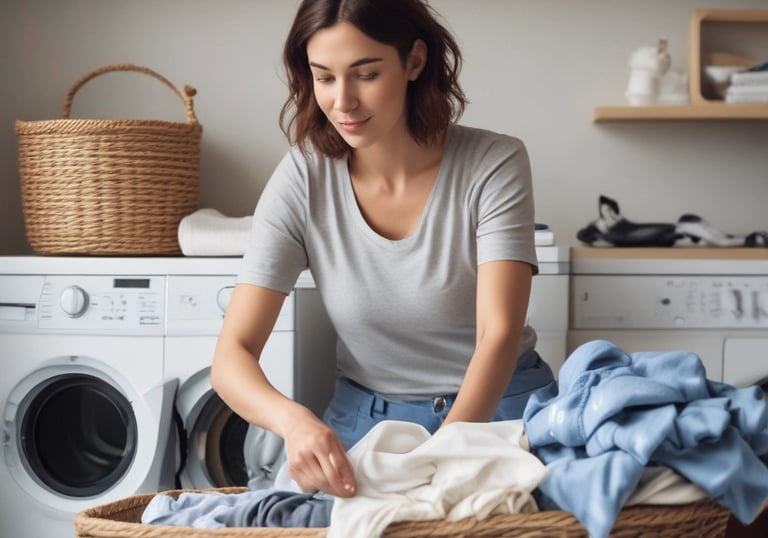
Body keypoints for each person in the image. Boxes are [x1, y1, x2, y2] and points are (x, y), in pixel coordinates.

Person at [211, 0, 556, 500]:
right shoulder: (302, 177)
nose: (343, 101)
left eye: (365, 74)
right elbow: (231, 357)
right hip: (366, 426)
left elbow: (497, 334)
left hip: (500, 414)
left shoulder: (493, 163)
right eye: (324, 78)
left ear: (414, 62)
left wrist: (444, 460)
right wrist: (295, 422)